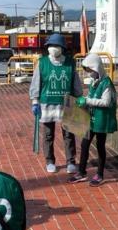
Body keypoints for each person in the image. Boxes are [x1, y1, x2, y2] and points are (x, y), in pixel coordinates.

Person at [29, 33, 83, 173]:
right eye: (51, 45)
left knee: (68, 134)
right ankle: (49, 160)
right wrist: (35, 101)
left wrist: (79, 98)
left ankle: (71, 161)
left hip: (67, 103)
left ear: (62, 48)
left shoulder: (70, 63)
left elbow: (76, 83)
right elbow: (36, 83)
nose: (54, 48)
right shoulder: (43, 63)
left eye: (57, 46)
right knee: (48, 134)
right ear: (47, 47)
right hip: (47, 103)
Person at [68, 53, 117, 187]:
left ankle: (100, 174)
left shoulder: (106, 83)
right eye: (87, 70)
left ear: (97, 68)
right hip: (91, 119)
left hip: (101, 120)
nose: (89, 73)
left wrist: (88, 100)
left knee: (100, 146)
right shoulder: (94, 83)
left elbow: (106, 102)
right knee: (84, 145)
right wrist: (82, 102)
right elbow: (90, 97)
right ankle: (82, 172)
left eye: (91, 70)